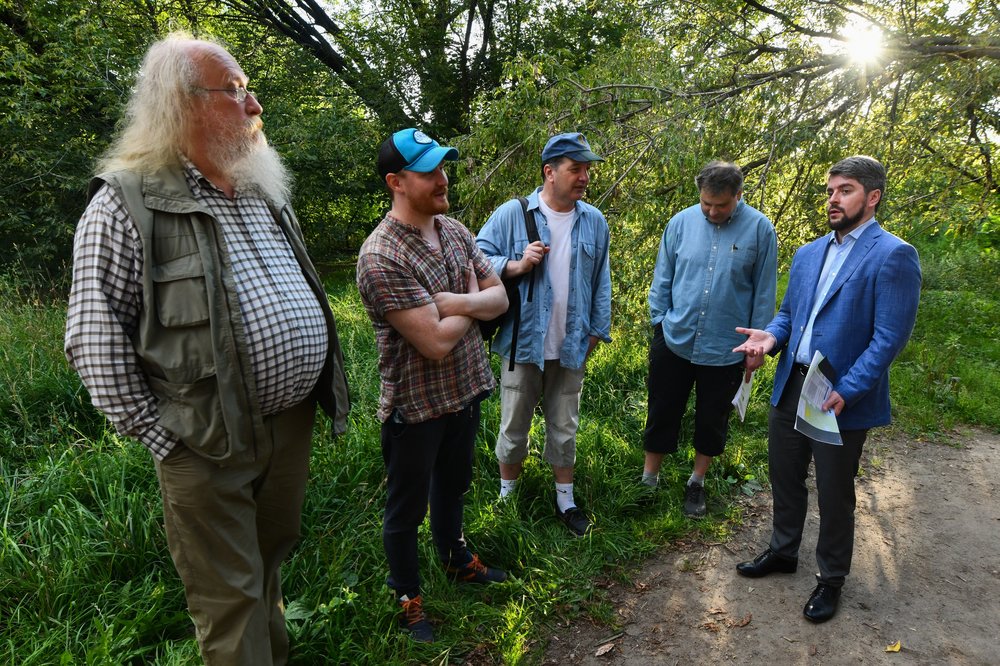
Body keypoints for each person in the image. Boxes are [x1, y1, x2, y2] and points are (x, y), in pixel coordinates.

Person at [64, 33, 350, 665]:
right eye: (237, 91)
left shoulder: (260, 188)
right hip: (204, 436)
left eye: (248, 91)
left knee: (267, 568)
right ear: (184, 103)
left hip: (287, 424)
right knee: (230, 600)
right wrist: (162, 437)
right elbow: (93, 336)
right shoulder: (126, 200)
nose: (254, 107)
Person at [732, 155, 921, 623]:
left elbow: (888, 337)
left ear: (872, 197)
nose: (833, 199)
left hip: (838, 396)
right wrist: (770, 338)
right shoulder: (809, 252)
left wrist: (850, 388)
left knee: (835, 492)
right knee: (784, 476)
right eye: (831, 190)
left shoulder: (894, 254)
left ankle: (830, 580)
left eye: (846, 190)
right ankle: (783, 552)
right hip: (792, 384)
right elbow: (790, 315)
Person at [356, 128, 509, 643]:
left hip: (465, 392)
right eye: (429, 172)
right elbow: (436, 344)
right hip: (415, 407)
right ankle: (407, 596)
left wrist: (453, 301)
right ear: (396, 182)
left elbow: (501, 300)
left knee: (455, 486)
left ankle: (455, 558)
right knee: (405, 509)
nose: (444, 179)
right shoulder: (382, 256)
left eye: (445, 167)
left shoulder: (456, 231)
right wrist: (471, 297)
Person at [476, 132, 612, 537]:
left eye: (587, 169)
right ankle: (506, 494)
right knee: (513, 422)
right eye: (576, 168)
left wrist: (595, 333)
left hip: (572, 343)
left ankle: (565, 500)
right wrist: (516, 265)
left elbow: (601, 280)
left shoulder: (594, 220)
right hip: (523, 342)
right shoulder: (512, 213)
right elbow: (477, 258)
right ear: (549, 172)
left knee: (564, 423)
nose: (584, 177)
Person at [641, 161, 777, 517]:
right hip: (674, 338)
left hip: (727, 347)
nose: (713, 212)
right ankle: (648, 480)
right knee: (661, 409)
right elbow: (663, 279)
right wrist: (660, 322)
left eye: (721, 205)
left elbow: (764, 292)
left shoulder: (761, 230)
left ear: (739, 194)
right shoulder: (680, 223)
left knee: (712, 419)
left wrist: (757, 345)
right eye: (706, 204)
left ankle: (696, 483)